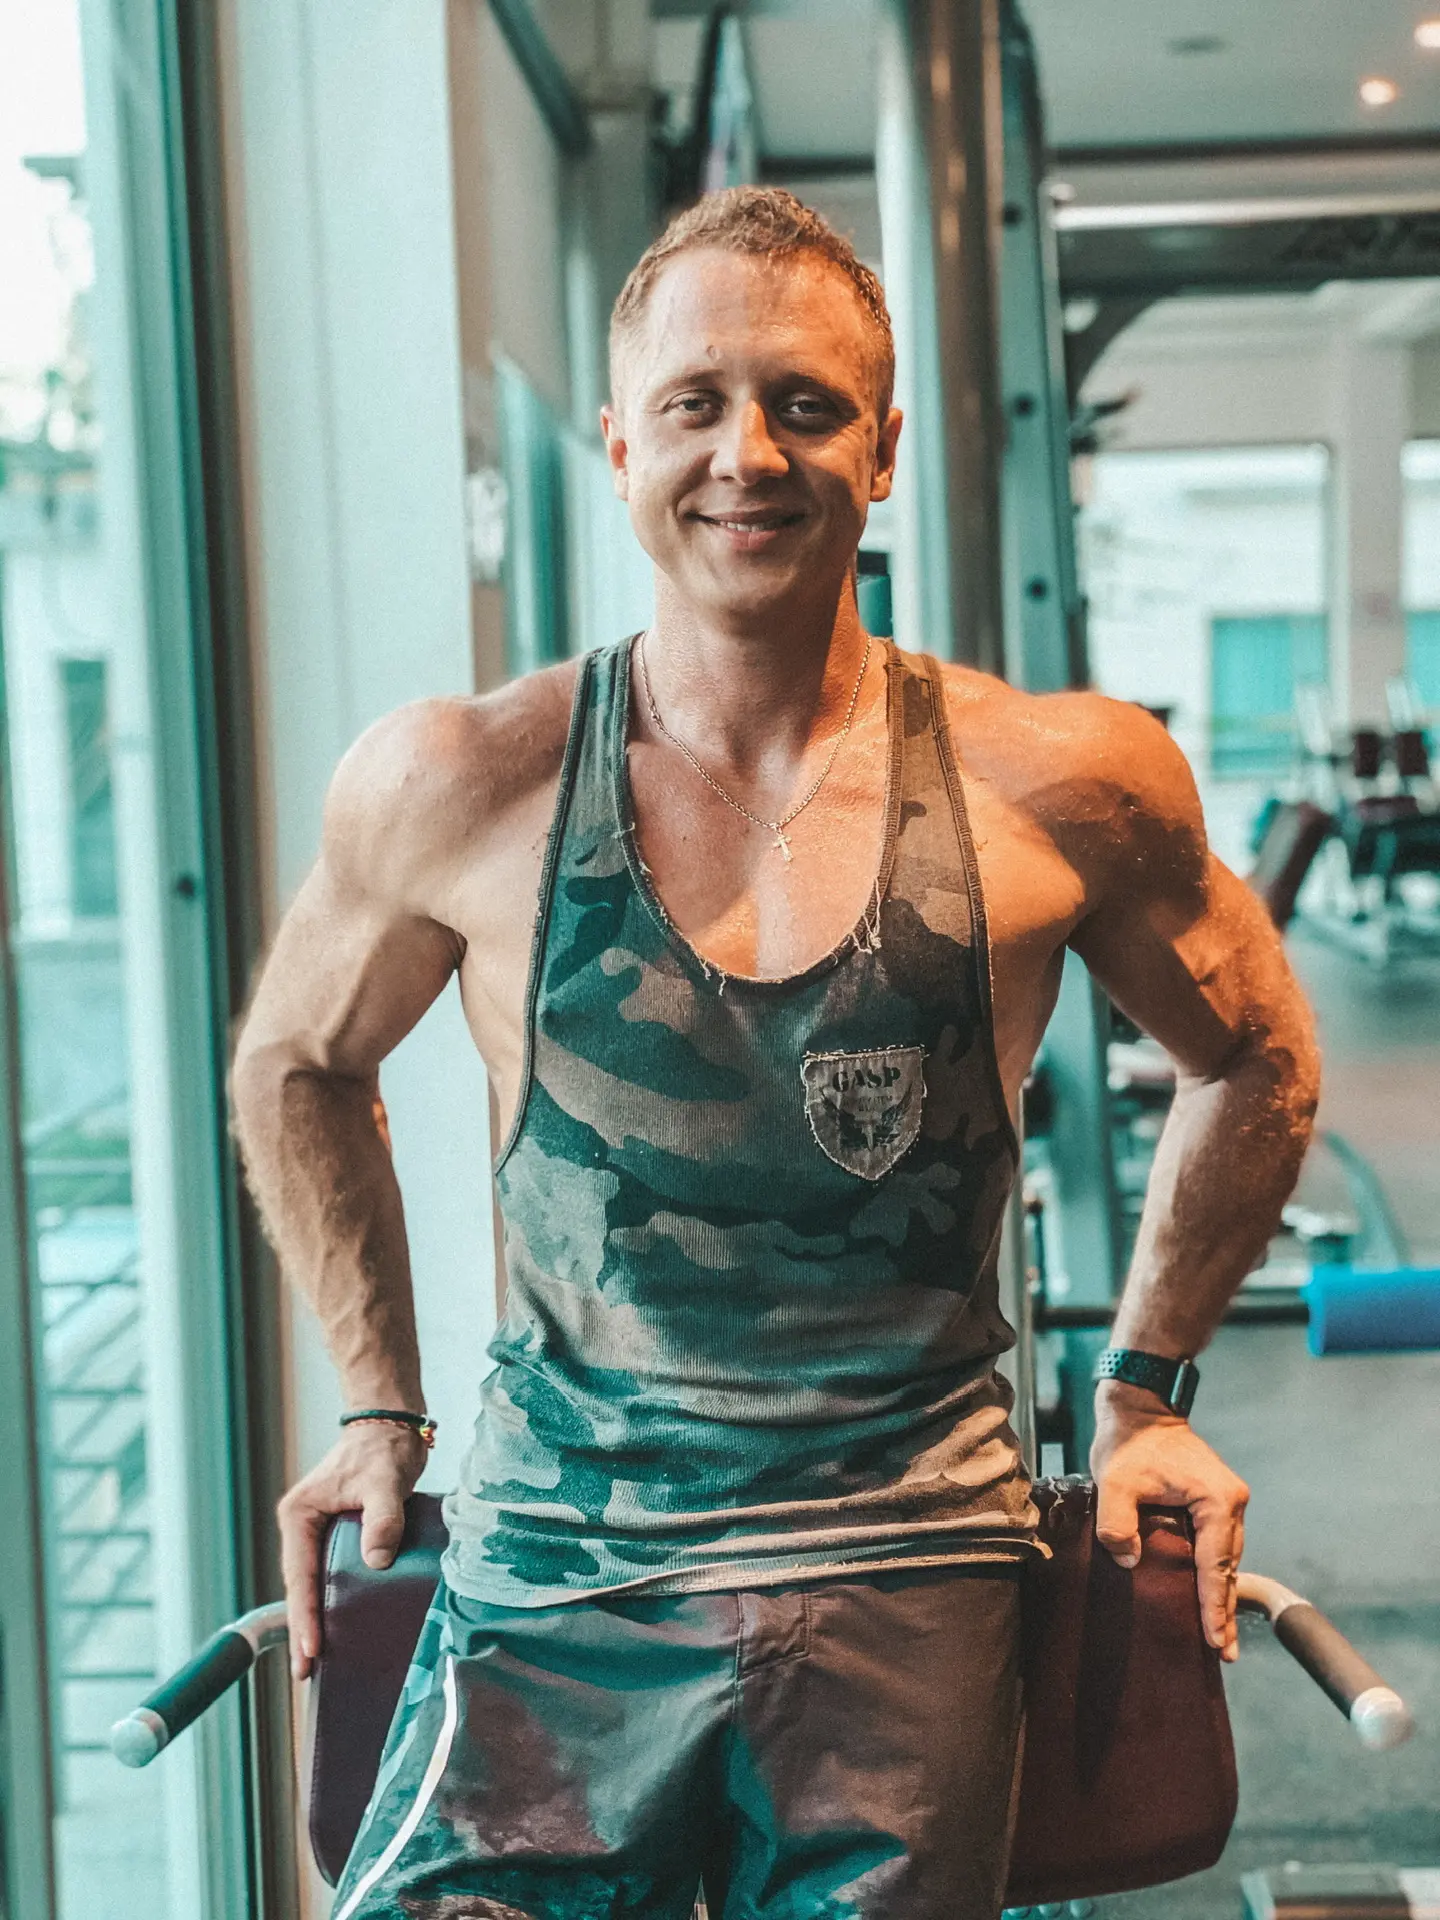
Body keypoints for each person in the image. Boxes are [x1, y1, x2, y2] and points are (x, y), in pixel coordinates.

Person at [232, 187, 1319, 1920]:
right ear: (621, 443)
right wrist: (377, 1405)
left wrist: (1144, 1395)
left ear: (881, 450)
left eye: (806, 406)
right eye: (697, 403)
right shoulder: (463, 780)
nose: (749, 453)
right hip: (560, 1571)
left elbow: (1254, 1052)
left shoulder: (1062, 782)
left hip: (909, 1562)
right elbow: (296, 1063)